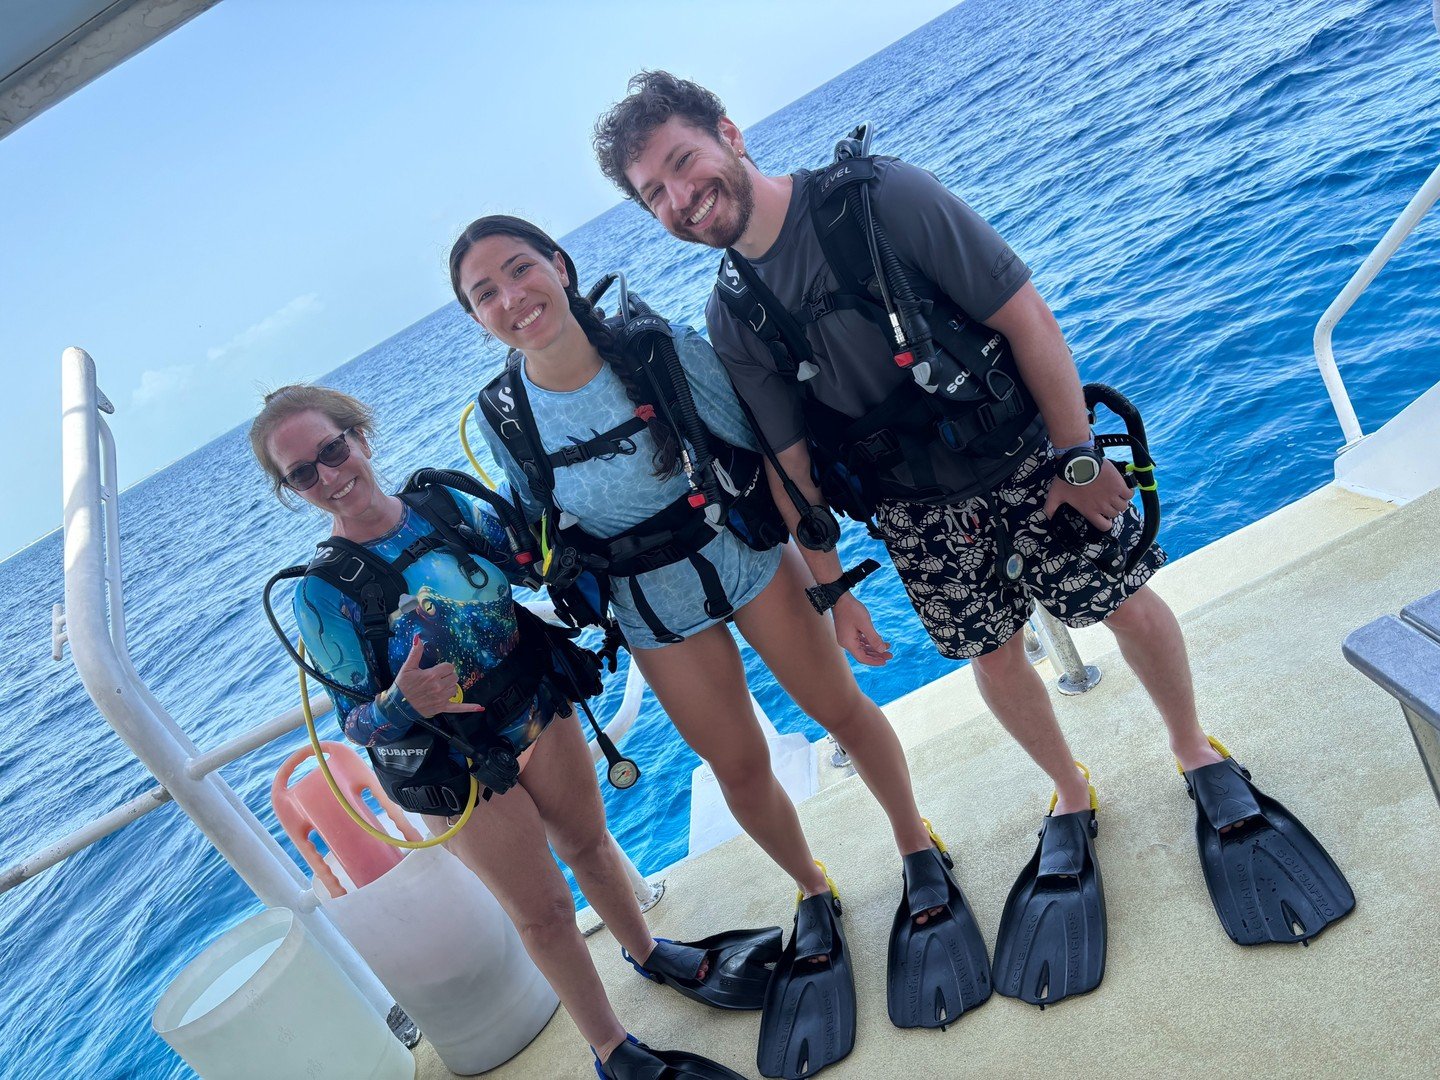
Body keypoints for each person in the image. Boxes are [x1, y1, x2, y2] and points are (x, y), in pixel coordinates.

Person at [593, 71, 1354, 1007]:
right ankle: (1069, 790)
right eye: (654, 194)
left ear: (729, 132)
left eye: (683, 163)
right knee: (993, 657)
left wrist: (1078, 455)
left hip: (1027, 458)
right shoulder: (733, 315)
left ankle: (1195, 749)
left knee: (1124, 603)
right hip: (915, 513)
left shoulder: (881, 196)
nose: (680, 197)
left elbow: (1024, 315)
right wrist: (832, 593)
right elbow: (793, 470)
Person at [451, 215, 990, 1079]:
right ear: (477, 318)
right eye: (486, 293)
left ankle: (916, 847)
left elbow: (768, 457)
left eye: (521, 269)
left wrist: (832, 588)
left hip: (747, 558)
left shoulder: (656, 349)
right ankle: (812, 886)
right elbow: (539, 526)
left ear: (559, 264)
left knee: (841, 711)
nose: (513, 298)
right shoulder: (505, 416)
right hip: (652, 607)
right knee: (738, 767)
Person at [250, 385, 757, 1080]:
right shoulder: (321, 593)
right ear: (292, 491)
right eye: (303, 473)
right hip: (457, 763)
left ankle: (647, 952)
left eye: (332, 450)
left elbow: (524, 561)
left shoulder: (442, 504)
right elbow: (357, 725)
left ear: (360, 437)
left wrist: (549, 551)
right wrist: (403, 700)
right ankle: (613, 1050)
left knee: (590, 844)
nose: (329, 476)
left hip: (534, 704)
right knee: (544, 911)